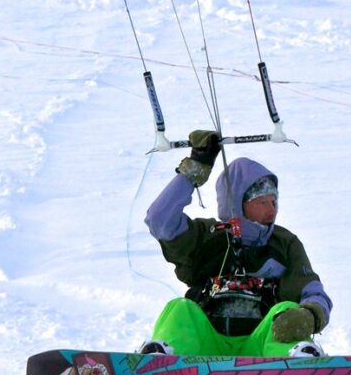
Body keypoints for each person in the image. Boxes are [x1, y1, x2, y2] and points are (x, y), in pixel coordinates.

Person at [140, 129, 332, 357]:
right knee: (179, 308)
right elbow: (159, 219)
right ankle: (162, 361)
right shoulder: (207, 236)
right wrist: (194, 169)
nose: (272, 210)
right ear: (237, 204)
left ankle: (297, 362)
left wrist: (310, 314)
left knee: (285, 309)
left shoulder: (284, 243)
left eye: (274, 201)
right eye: (261, 202)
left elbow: (312, 290)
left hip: (261, 348)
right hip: (205, 348)